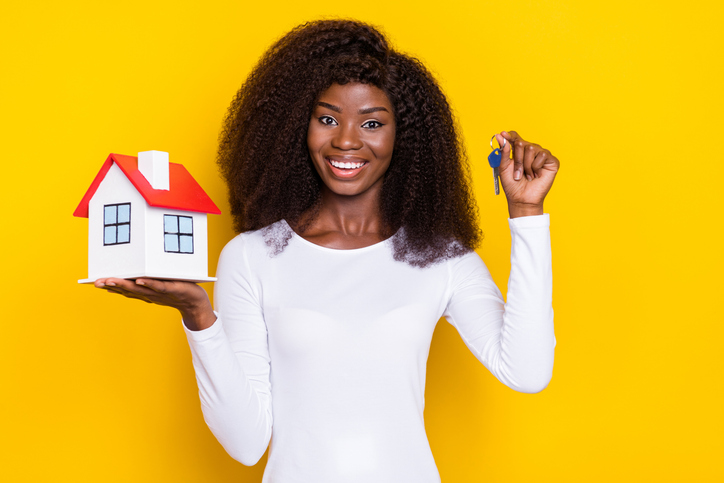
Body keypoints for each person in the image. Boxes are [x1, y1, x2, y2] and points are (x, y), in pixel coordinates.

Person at [96, 19, 559, 482]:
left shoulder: (440, 259)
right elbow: (245, 443)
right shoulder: (252, 257)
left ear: (405, 137)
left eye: (372, 123)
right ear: (299, 124)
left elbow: (528, 370)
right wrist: (198, 316)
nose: (346, 140)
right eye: (328, 118)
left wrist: (526, 213)